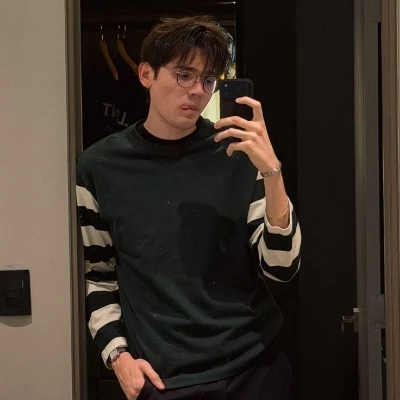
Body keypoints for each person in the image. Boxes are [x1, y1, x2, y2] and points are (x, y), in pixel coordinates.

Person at [76, 15, 301, 400]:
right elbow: (97, 273)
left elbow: (282, 267)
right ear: (146, 74)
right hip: (166, 379)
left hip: (256, 366)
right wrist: (118, 357)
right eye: (184, 75)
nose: (198, 90)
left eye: (208, 79)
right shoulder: (99, 166)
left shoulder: (236, 152)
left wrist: (272, 171)